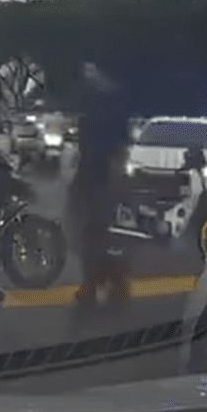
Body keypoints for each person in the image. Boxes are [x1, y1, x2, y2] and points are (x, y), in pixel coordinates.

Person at [68, 60, 133, 315]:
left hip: (100, 176)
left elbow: (106, 150)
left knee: (97, 233)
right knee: (102, 233)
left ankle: (101, 284)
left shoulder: (98, 110)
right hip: (100, 175)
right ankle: (107, 284)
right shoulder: (110, 107)